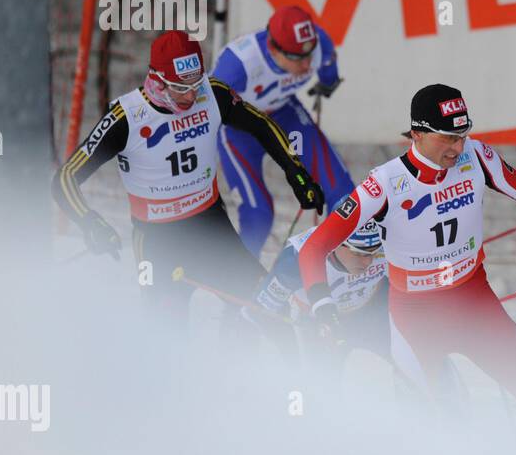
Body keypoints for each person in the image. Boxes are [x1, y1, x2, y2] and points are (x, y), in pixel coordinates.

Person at [297, 84, 516, 422]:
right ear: (418, 134)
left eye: (462, 135)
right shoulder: (385, 183)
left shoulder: (476, 156)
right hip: (414, 317)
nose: (458, 147)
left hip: (474, 301)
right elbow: (314, 248)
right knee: (431, 429)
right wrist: (323, 306)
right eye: (447, 138)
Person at [52, 31, 323, 329]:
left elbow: (262, 125)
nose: (192, 96)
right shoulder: (126, 117)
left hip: (210, 227)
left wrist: (296, 173)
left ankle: (263, 372)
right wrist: (89, 222)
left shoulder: (213, 93)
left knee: (269, 309)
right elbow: (65, 178)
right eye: (181, 88)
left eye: (196, 84)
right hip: (157, 240)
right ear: (156, 80)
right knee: (167, 334)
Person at [213, 4, 352, 255]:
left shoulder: (319, 44)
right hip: (240, 129)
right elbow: (206, 109)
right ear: (273, 49)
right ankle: (237, 278)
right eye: (298, 59)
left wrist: (328, 83)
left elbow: (329, 68)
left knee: (343, 193)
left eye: (310, 56)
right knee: (259, 214)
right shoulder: (238, 65)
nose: (307, 65)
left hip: (285, 115)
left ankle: (337, 269)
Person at [256, 217, 390, 361]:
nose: (368, 261)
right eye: (358, 253)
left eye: (373, 252)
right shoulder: (293, 262)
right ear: (335, 244)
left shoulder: (390, 247)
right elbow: (261, 312)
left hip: (367, 312)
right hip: (314, 324)